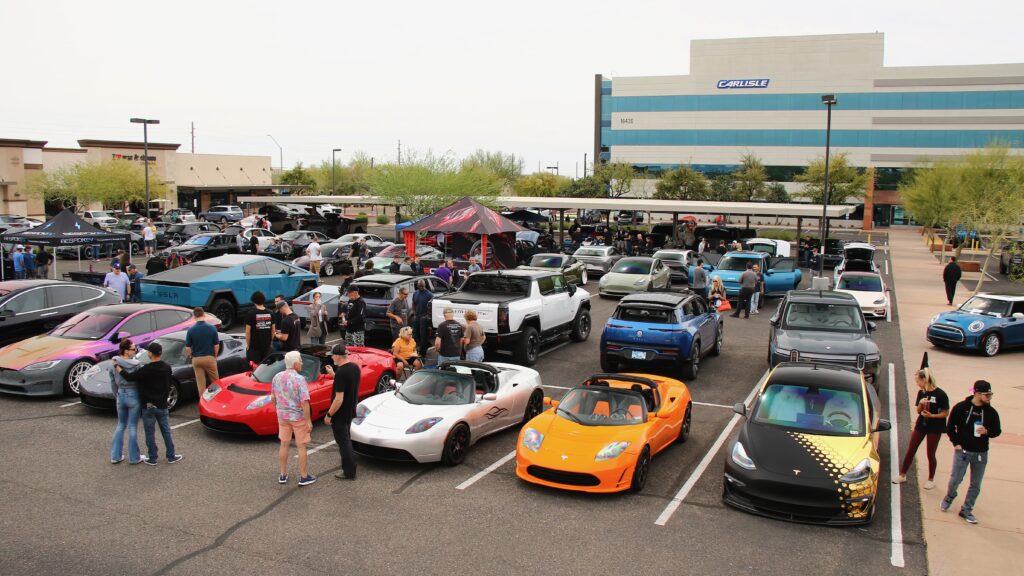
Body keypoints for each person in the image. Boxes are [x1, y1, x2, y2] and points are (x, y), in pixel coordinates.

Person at [941, 380, 1001, 524]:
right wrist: (956, 443)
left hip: (981, 453)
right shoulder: (961, 408)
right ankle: (950, 496)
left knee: (975, 485)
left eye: (991, 394)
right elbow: (950, 427)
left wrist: (988, 431)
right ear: (977, 393)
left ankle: (966, 510)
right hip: (963, 452)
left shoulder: (991, 412)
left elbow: (997, 431)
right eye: (987, 395)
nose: (990, 397)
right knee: (955, 480)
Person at [121, 342, 183, 466]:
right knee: (166, 431)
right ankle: (171, 456)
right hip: (162, 405)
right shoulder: (166, 367)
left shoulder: (146, 369)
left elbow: (129, 377)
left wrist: (118, 368)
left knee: (149, 432)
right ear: (160, 353)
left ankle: (152, 458)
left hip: (148, 405)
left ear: (150, 353)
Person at [894, 368, 949, 488]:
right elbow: (918, 411)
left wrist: (932, 415)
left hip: (935, 426)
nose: (917, 383)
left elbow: (946, 413)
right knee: (911, 448)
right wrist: (921, 404)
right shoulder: (921, 393)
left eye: (918, 381)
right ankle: (902, 475)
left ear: (924, 380)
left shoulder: (941, 394)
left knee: (930, 453)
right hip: (922, 423)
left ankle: (931, 478)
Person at [270, 350, 316, 486]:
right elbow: (304, 402)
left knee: (284, 444)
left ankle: (283, 474)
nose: (302, 363)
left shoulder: (277, 377)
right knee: (301, 446)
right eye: (300, 361)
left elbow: (273, 397)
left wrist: (279, 409)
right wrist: (308, 421)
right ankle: (303, 476)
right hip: (298, 417)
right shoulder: (300, 379)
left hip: (282, 416)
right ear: (296, 364)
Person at [323, 344, 359, 480]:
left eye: (332, 355)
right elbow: (348, 384)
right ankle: (351, 466)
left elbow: (338, 399)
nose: (331, 357)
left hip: (340, 414)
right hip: (350, 410)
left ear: (338, 356)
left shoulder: (342, 373)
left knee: (343, 443)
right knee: (347, 439)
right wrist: (334, 375)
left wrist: (329, 415)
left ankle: (349, 471)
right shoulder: (354, 368)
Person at [109, 338, 143, 464]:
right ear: (126, 351)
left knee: (120, 425)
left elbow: (113, 382)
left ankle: (115, 456)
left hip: (120, 393)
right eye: (133, 349)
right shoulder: (136, 364)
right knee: (133, 426)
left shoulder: (114, 363)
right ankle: (134, 457)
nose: (135, 351)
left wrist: (116, 395)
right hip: (133, 394)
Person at [185, 307, 220, 396]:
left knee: (200, 384)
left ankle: (203, 401)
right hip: (209, 357)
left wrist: (191, 356)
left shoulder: (191, 330)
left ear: (194, 317)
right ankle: (215, 398)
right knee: (215, 381)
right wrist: (215, 356)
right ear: (204, 315)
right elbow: (216, 345)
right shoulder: (212, 328)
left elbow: (188, 348)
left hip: (197, 359)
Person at [245, 291, 275, 366]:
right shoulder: (271, 313)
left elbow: (247, 332)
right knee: (265, 368)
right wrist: (269, 343)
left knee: (255, 368)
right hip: (266, 347)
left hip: (254, 347)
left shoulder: (251, 313)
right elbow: (273, 330)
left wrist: (248, 346)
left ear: (254, 301)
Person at [411, 281, 433, 357]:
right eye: (419, 286)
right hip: (417, 316)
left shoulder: (429, 295)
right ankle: (421, 347)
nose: (421, 288)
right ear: (417, 286)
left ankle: (422, 353)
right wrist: (414, 314)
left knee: (423, 335)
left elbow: (432, 307)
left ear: (425, 285)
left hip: (424, 317)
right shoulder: (415, 293)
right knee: (416, 334)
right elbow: (413, 303)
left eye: (422, 286)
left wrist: (427, 316)